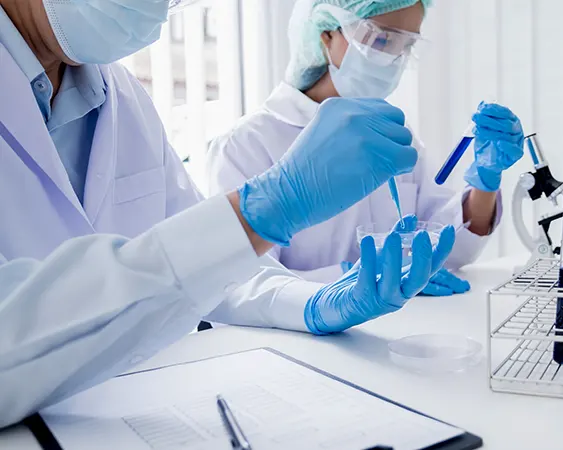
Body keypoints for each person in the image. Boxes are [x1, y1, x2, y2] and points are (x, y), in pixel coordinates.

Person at [0, 0, 454, 428]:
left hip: (137, 410)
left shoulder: (120, 95)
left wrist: (310, 302)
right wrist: (265, 209)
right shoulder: (245, 139)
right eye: (381, 38)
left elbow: (208, 268)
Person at [206, 0, 525, 296]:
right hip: (296, 346)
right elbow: (244, 285)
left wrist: (485, 180)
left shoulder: (395, 133)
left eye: (407, 44)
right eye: (382, 40)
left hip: (393, 334)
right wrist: (352, 277)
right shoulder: (247, 145)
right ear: (326, 35)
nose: (394, 58)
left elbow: (444, 250)